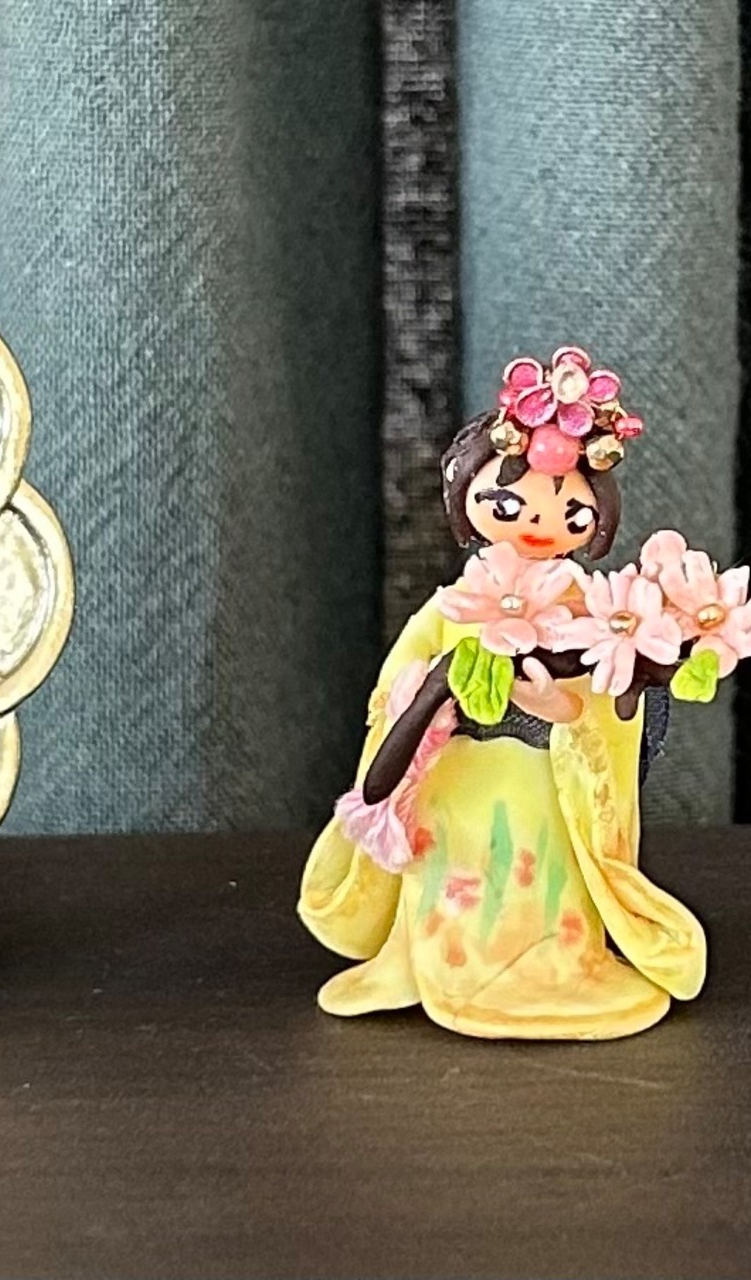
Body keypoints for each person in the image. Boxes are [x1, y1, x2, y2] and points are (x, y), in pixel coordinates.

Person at [298, 349, 706, 1040]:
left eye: (571, 511)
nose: (538, 525)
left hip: (545, 779)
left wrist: (566, 711)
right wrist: (429, 696)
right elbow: (392, 692)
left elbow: (618, 707)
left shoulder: (598, 608)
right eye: (509, 504)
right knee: (455, 870)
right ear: (467, 499)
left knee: (539, 873)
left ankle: (549, 962)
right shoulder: (455, 605)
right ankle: (443, 964)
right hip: (457, 775)